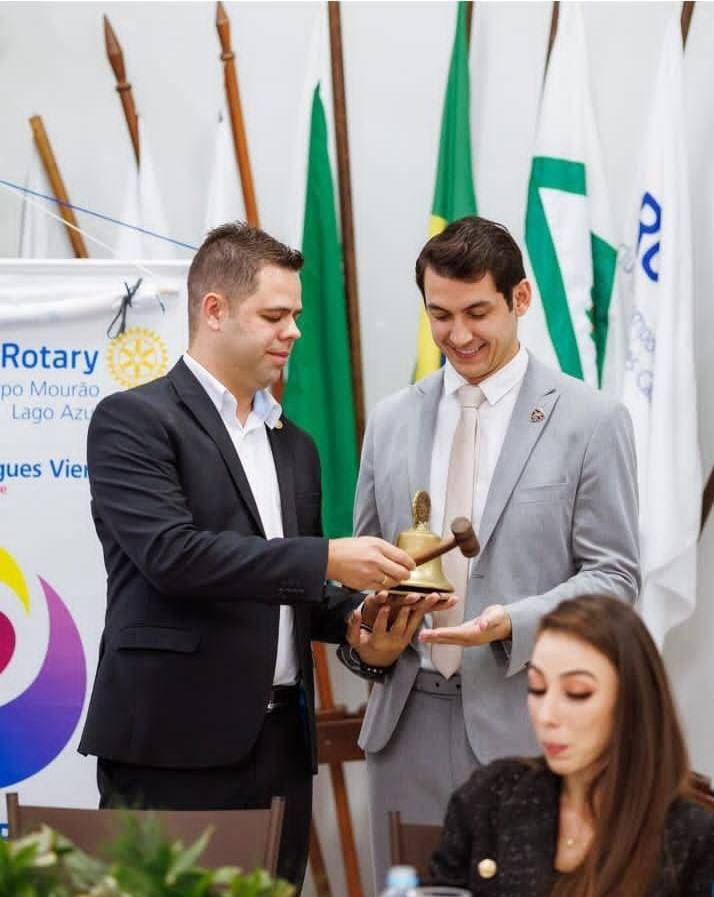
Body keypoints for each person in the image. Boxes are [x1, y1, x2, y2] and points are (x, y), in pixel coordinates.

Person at [78, 222, 418, 888]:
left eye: (295, 314)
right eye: (274, 314)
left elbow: (301, 592)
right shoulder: (133, 421)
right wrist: (325, 559)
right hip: (169, 751)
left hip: (282, 750)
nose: (292, 330)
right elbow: (173, 556)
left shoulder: (297, 447)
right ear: (213, 310)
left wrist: (360, 628)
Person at [343, 215, 640, 889]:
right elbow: (363, 568)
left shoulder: (591, 421)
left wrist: (511, 620)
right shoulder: (390, 419)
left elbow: (615, 576)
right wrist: (369, 640)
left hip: (529, 725)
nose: (460, 335)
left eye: (479, 311)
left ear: (521, 299)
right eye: (440, 315)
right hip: (404, 728)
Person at [428, 595, 714, 895]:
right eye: (537, 688)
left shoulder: (690, 833)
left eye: (577, 693)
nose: (547, 715)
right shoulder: (490, 796)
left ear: (633, 702)